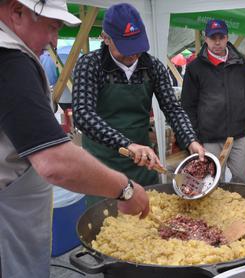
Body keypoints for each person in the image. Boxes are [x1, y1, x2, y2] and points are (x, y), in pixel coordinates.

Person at [0, 0, 150, 277]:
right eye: (51, 28)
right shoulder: (9, 59)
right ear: (16, 11)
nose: (53, 41)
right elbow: (55, 161)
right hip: (8, 214)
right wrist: (125, 188)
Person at [72, 3, 205, 188]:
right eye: (125, 47)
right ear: (105, 38)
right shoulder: (90, 65)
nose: (133, 54)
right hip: (101, 164)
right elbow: (83, 115)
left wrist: (190, 140)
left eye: (136, 45)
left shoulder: (153, 67)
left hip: (142, 162)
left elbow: (172, 108)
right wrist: (127, 144)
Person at [181, 19, 245, 184]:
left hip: (238, 134)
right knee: (212, 181)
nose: (217, 42)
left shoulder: (241, 63)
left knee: (243, 177)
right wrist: (194, 137)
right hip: (210, 137)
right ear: (205, 38)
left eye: (221, 37)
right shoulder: (195, 68)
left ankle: (237, 209)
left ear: (227, 37)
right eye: (213, 38)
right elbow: (188, 105)